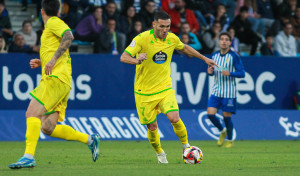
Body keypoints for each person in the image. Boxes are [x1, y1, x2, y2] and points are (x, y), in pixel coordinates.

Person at [8, 0, 100, 169]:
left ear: (42, 11)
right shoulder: (52, 26)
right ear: (58, 10)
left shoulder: (53, 22)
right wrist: (43, 62)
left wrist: (52, 59)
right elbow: (58, 48)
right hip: (63, 81)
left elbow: (69, 36)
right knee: (48, 127)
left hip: (55, 79)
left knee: (32, 113)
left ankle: (28, 156)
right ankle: (90, 139)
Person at [120, 11, 217, 163]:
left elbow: (184, 47)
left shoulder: (172, 38)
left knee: (174, 117)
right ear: (154, 25)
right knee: (152, 127)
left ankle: (186, 147)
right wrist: (137, 60)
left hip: (164, 88)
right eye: (162, 26)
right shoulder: (142, 38)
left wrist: (204, 58)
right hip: (144, 92)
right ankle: (160, 154)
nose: (165, 30)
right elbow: (124, 57)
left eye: (168, 26)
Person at [206, 32, 245, 148]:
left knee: (226, 117)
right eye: (222, 39)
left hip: (229, 92)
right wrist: (210, 73)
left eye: (226, 39)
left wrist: (230, 73)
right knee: (210, 114)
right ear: (219, 41)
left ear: (230, 42)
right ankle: (222, 131)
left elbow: (242, 73)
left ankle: (230, 139)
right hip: (216, 90)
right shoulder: (214, 55)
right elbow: (211, 71)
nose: (224, 41)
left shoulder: (234, 56)